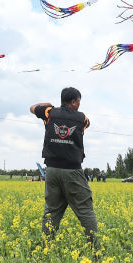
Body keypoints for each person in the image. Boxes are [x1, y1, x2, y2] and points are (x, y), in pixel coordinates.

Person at [30, 87, 98, 249]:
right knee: (85, 210)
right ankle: (95, 249)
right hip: (72, 170)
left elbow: (32, 108)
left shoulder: (49, 113)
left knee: (52, 211)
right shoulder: (82, 119)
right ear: (74, 102)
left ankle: (46, 247)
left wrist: (49, 104)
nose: (79, 105)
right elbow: (86, 125)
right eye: (78, 102)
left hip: (51, 171)